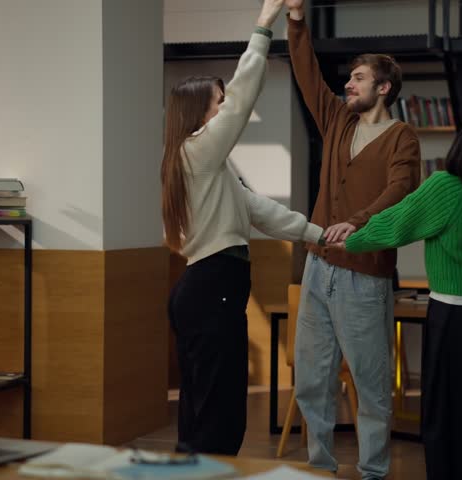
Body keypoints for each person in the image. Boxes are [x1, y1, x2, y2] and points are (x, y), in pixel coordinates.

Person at [335, 14, 462, 480]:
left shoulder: (447, 188)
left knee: (445, 419)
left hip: (452, 321)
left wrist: (347, 236)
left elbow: (393, 226)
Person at [162, 0, 325, 456]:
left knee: (205, 407)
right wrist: (263, 23)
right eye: (220, 100)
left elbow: (258, 209)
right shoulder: (196, 150)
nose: (229, 106)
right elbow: (244, 100)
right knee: (217, 412)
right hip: (212, 285)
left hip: (210, 286)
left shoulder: (209, 164)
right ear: (200, 113)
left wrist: (316, 235)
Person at [284, 1, 422, 478]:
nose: (348, 83)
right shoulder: (338, 121)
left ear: (383, 87)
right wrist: (297, 21)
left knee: (371, 385)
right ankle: (320, 468)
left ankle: (373, 473)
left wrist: (359, 221)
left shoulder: (402, 136)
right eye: (350, 78)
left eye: (359, 78)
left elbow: (402, 188)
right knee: (311, 381)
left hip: (365, 277)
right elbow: (307, 74)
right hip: (318, 268)